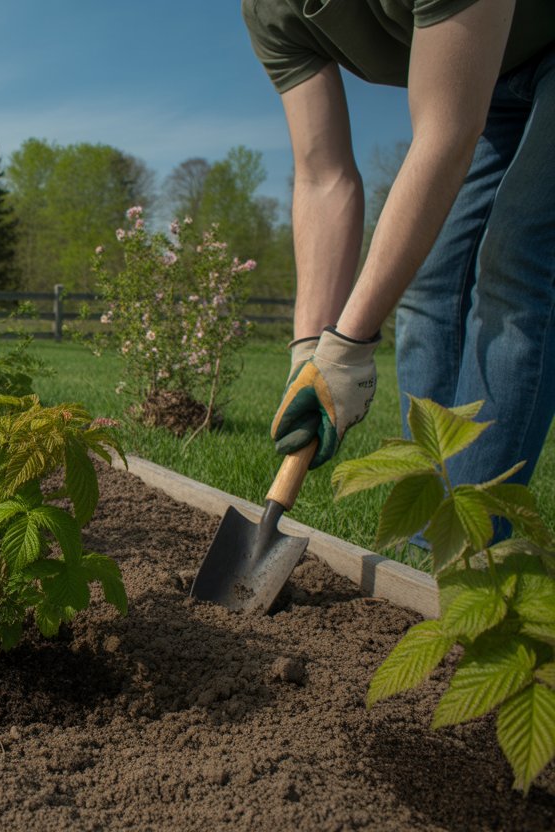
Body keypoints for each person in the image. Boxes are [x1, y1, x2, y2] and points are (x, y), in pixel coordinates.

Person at [242, 0, 555, 498]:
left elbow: (447, 133)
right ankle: (424, 541)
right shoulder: (269, 11)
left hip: (507, 59)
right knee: (427, 283)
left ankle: (475, 546)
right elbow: (324, 177)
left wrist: (348, 349)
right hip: (492, 75)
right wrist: (310, 354)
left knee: (516, 264)